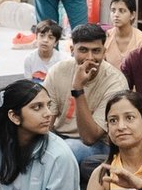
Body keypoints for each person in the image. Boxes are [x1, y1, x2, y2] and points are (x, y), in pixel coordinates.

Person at [46, 22, 133, 167]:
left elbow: (90, 137)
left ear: (104, 52)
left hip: (97, 144)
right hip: (59, 137)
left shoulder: (116, 82)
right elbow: (46, 120)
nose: (90, 57)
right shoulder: (58, 71)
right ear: (72, 50)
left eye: (96, 51)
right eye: (83, 50)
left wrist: (78, 88)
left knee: (68, 150)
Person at [105, 0, 142, 66]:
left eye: (122, 11)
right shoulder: (106, 37)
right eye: (113, 10)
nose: (116, 15)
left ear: (132, 15)